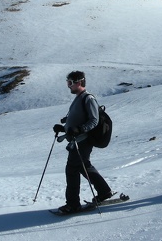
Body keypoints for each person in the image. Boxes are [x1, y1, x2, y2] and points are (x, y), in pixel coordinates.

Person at [53, 71, 113, 214]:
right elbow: (77, 120)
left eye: (70, 83)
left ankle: (73, 204)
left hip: (83, 141)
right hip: (77, 139)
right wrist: (63, 128)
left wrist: (80, 129)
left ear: (79, 82)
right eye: (67, 82)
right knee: (83, 166)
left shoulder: (88, 98)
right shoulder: (79, 98)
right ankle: (104, 191)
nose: (69, 86)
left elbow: (94, 120)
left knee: (72, 169)